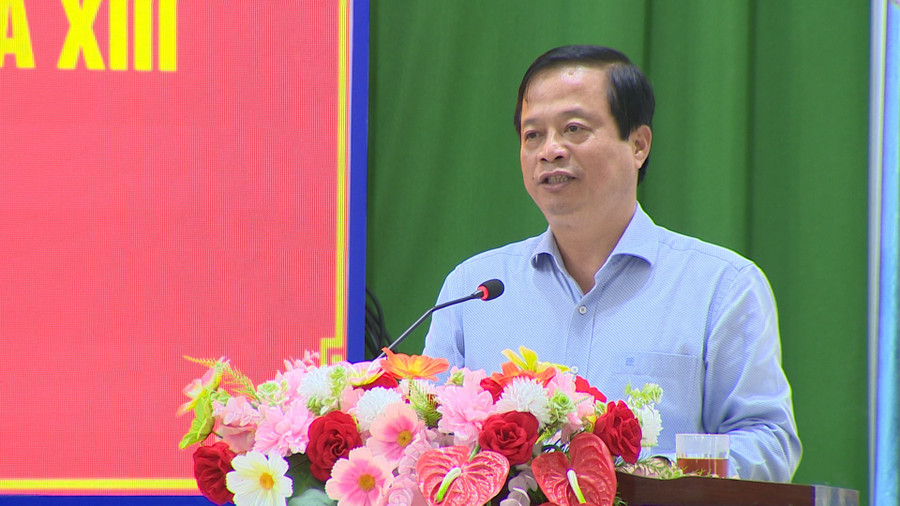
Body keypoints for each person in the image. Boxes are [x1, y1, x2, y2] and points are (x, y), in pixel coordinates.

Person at [422, 45, 801, 482]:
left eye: (574, 129)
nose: (550, 150)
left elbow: (768, 442)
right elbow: (430, 439)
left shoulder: (721, 287)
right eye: (533, 135)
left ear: (638, 145)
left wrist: (657, 474)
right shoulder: (473, 290)